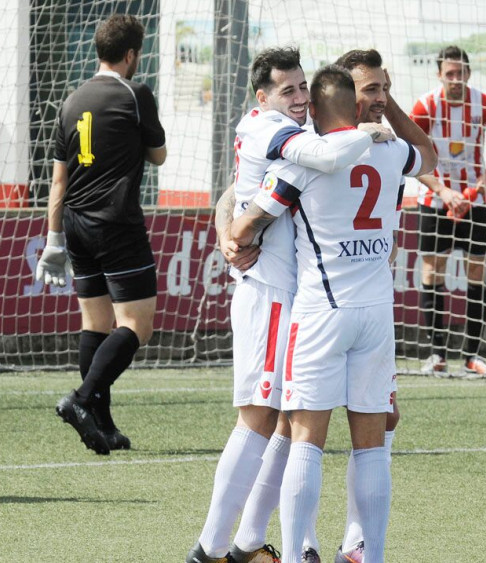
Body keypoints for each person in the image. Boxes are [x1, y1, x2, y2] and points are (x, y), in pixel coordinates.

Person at [190, 47, 389, 563]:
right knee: (259, 419)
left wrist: (226, 229)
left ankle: (249, 544)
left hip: (296, 296)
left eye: (303, 88)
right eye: (288, 90)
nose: (299, 99)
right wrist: (369, 131)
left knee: (282, 420)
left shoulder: (284, 129)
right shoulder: (271, 127)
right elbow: (320, 160)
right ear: (263, 97)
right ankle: (210, 550)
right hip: (273, 293)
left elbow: (234, 192)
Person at [230, 65, 435, 563]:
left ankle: (299, 554)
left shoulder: (307, 162)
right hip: (376, 314)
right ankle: (373, 554)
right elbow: (428, 157)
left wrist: (235, 234)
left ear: (317, 110)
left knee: (305, 439)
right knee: (371, 442)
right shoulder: (390, 152)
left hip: (321, 313)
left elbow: (249, 223)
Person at [38, 14, 166, 456]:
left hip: (75, 224)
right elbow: (160, 155)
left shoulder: (71, 101)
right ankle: (81, 400)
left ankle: (104, 425)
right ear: (131, 55)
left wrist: (53, 242)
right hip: (117, 224)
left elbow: (58, 182)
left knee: (95, 323)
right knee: (137, 325)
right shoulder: (136, 93)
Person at [332, 48, 432, 563]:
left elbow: (429, 155)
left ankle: (356, 541)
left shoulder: (391, 144)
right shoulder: (315, 142)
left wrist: (387, 108)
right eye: (370, 89)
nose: (380, 98)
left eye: (383, 87)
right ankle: (286, 541)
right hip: (320, 305)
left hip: (373, 305)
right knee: (292, 425)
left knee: (383, 418)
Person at [410, 45, 486, 376]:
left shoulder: (485, 103)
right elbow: (409, 158)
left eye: (461, 73)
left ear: (469, 73)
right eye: (449, 74)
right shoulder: (425, 106)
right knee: (431, 272)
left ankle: (472, 355)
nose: (455, 79)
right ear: (439, 74)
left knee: (477, 273)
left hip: (475, 201)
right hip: (436, 201)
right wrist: (442, 190)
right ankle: (437, 354)